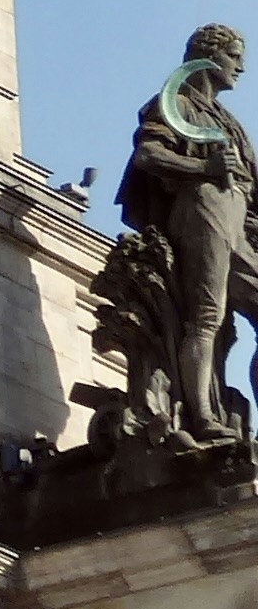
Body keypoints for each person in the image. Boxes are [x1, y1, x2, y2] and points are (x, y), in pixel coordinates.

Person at [117, 24, 258, 446]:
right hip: (202, 208)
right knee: (208, 315)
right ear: (209, 55)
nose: (242, 67)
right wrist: (203, 169)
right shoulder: (174, 103)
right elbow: (149, 153)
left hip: (238, 219)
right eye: (235, 56)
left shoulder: (227, 121)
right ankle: (201, 416)